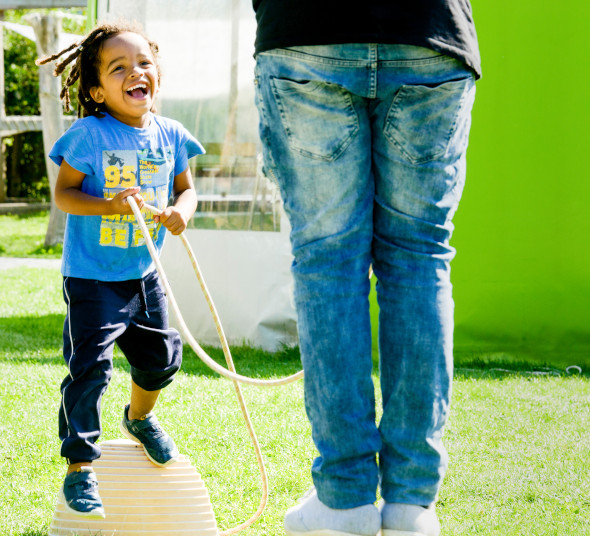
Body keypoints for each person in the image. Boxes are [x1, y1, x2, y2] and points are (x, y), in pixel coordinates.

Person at [250, 2, 480, 535]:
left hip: (307, 34)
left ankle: (345, 498)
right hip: (430, 31)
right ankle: (411, 505)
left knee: (328, 262)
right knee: (419, 260)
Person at [37, 21, 204, 518]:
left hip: (143, 272)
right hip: (92, 277)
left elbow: (186, 189)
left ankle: (140, 418)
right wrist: (108, 205)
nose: (136, 73)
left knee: (160, 358)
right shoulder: (88, 134)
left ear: (157, 74)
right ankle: (80, 469)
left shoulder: (172, 133)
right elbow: (64, 194)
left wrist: (182, 212)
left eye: (144, 63)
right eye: (119, 68)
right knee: (89, 370)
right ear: (96, 89)